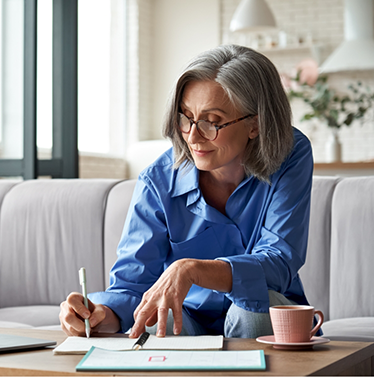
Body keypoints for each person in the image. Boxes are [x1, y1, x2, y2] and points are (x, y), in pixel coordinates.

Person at [59, 44, 314, 339]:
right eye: (185, 118)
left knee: (252, 308)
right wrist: (99, 315)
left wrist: (192, 269)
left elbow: (279, 260)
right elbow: (132, 285)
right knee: (159, 317)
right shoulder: (158, 180)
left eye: (211, 122)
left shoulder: (290, 154)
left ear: (255, 125)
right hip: (188, 319)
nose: (193, 137)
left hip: (262, 315)